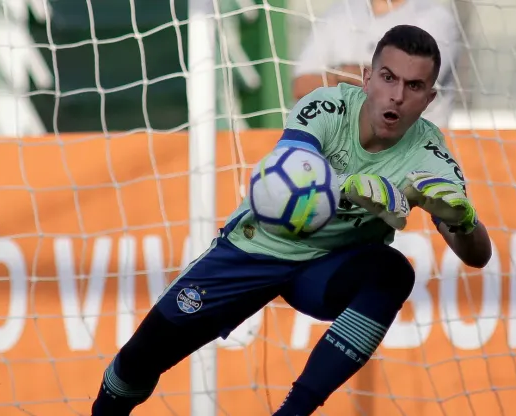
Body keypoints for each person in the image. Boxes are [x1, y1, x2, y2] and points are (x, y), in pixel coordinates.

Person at [91, 24, 491, 416]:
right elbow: (288, 174)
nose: (397, 96)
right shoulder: (327, 106)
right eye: (388, 78)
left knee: (393, 272)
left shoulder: (431, 156)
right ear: (367, 78)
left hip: (325, 269)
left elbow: (477, 256)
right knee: (138, 361)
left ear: (429, 99)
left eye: (414, 86)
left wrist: (463, 222)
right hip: (255, 248)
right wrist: (346, 185)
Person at [292, 0, 460, 128]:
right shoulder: (338, 13)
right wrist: (348, 74)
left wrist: (337, 77)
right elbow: (302, 85)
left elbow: (408, 79)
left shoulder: (434, 18)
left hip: (412, 154)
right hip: (343, 148)